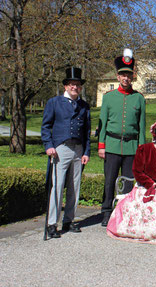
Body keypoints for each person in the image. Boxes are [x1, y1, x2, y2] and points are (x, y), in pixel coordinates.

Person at [98, 48, 146, 227]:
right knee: (109, 181)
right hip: (111, 145)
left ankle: (124, 212)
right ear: (117, 77)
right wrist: (101, 145)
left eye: (129, 75)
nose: (126, 78)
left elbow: (141, 126)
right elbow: (102, 122)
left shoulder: (139, 99)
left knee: (127, 183)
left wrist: (141, 149)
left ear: (132, 77)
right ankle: (106, 211)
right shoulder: (109, 97)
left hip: (132, 147)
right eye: (122, 75)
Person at [41, 67, 91, 238]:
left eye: (77, 85)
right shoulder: (54, 102)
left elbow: (87, 131)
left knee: (74, 187)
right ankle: (52, 224)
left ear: (80, 87)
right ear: (65, 86)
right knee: (57, 186)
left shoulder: (84, 106)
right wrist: (48, 145)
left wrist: (87, 151)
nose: (74, 87)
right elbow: (46, 126)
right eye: (71, 84)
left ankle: (69, 220)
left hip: (78, 149)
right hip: (60, 149)